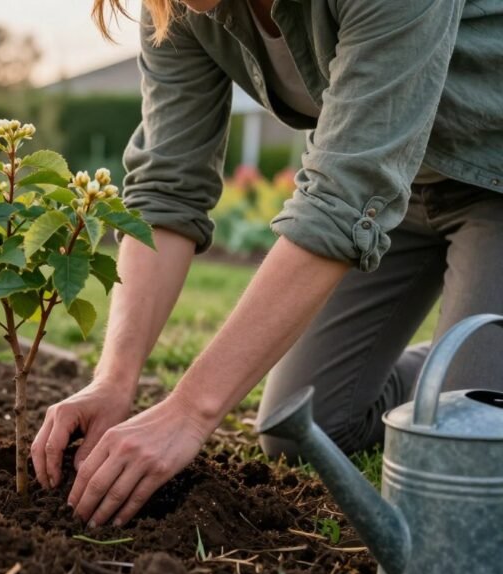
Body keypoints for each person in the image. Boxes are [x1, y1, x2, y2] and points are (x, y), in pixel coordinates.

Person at [31, 0, 503, 529]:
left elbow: (344, 200)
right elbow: (166, 191)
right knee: (305, 428)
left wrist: (189, 412)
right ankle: (450, 363)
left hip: (494, 177)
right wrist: (114, 380)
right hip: (398, 194)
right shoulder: (176, 9)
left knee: (470, 439)